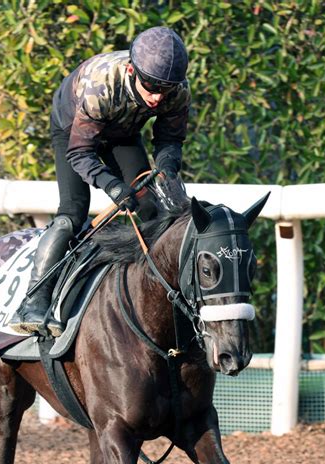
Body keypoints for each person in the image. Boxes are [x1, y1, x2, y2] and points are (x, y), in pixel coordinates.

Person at [10, 26, 191, 337]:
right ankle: (34, 300)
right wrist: (113, 186)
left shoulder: (177, 91)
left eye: (166, 88)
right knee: (71, 216)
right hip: (73, 131)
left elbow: (170, 140)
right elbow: (80, 154)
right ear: (133, 71)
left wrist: (166, 170)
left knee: (150, 207)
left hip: (122, 130)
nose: (158, 96)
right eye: (150, 85)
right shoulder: (101, 87)